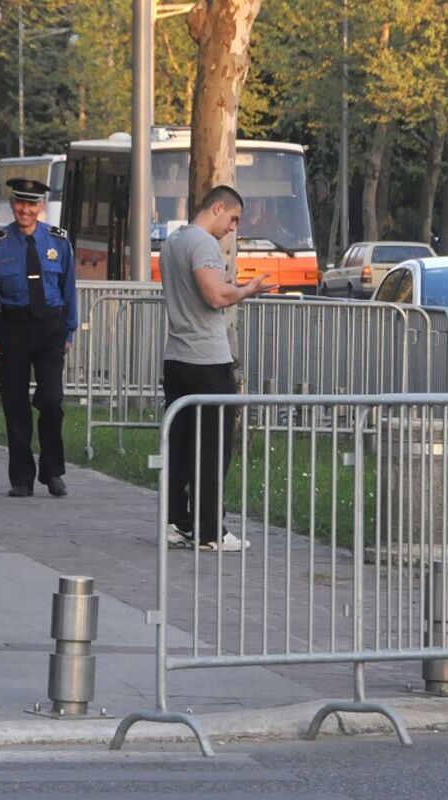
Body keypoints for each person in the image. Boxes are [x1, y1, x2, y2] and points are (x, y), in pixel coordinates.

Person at [160, 185, 274, 551]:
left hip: (177, 357)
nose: (233, 228)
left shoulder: (173, 242)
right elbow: (214, 295)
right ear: (217, 207)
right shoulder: (203, 244)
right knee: (212, 448)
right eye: (234, 218)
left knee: (179, 446)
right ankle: (209, 531)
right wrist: (246, 290)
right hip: (207, 361)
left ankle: (176, 522)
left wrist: (232, 288)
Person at [0, 177, 77, 498]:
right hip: (12, 328)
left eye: (32, 204)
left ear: (41, 206)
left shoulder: (59, 241)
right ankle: (21, 477)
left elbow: (69, 288)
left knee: (52, 400)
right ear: (12, 204)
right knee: (15, 403)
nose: (25, 210)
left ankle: (53, 471)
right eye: (20, 203)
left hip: (50, 327)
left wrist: (69, 329)